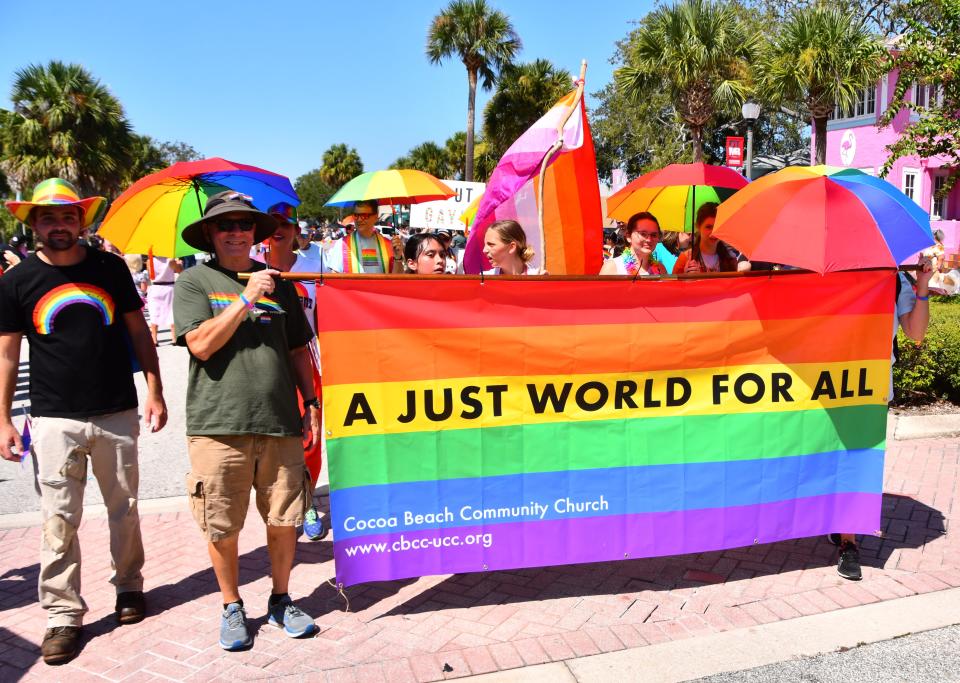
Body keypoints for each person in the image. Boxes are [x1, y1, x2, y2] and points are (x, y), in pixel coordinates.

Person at [0, 178, 167, 665]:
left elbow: (140, 333)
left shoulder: (109, 268)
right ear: (33, 224)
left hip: (116, 410)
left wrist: (154, 390)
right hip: (53, 420)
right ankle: (62, 616)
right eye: (49, 218)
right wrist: (3, 419)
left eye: (68, 216)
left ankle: (129, 588)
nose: (59, 225)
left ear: (81, 221)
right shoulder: (16, 282)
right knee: (57, 521)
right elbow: (7, 355)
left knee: (125, 510)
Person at [172, 191, 319, 651]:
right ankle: (231, 605)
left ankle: (280, 599)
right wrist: (245, 297)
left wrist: (311, 400)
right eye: (224, 225)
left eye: (243, 224)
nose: (235, 232)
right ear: (211, 235)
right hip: (218, 423)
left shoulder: (282, 284)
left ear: (254, 232)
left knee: (284, 518)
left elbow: (297, 348)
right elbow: (201, 345)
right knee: (222, 523)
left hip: (279, 419)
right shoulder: (194, 282)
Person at [830, 256, 934, 580]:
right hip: (824, 382)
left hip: (869, 384)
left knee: (858, 459)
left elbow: (915, 331)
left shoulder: (894, 281)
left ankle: (849, 542)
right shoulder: (827, 277)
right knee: (831, 456)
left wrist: (923, 286)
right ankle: (836, 521)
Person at [263, 202, 328, 542]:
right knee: (270, 440)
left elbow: (331, 312)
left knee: (310, 435)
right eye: (272, 223)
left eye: (285, 223)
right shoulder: (252, 270)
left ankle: (306, 501)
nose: (279, 228)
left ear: (295, 230)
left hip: (307, 360)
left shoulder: (315, 266)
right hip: (266, 365)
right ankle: (278, 503)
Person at [672, 203, 750, 274]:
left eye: (717, 226)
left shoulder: (730, 260)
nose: (713, 232)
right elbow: (672, 286)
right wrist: (685, 278)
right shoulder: (685, 259)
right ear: (698, 226)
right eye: (708, 227)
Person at [325, 200, 398, 273]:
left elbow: (398, 278)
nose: (359, 219)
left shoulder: (389, 244)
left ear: (376, 217)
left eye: (364, 215)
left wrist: (398, 258)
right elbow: (334, 278)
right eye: (356, 215)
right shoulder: (342, 244)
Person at [600, 212, 668, 276]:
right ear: (628, 236)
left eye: (654, 235)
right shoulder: (612, 267)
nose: (649, 239)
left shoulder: (661, 269)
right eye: (643, 234)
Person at [146, 255, 182, 346]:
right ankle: (174, 338)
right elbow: (180, 271)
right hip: (169, 288)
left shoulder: (149, 261)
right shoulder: (170, 260)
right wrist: (179, 264)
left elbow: (150, 275)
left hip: (155, 287)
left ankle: (154, 339)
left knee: (155, 313)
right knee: (171, 312)